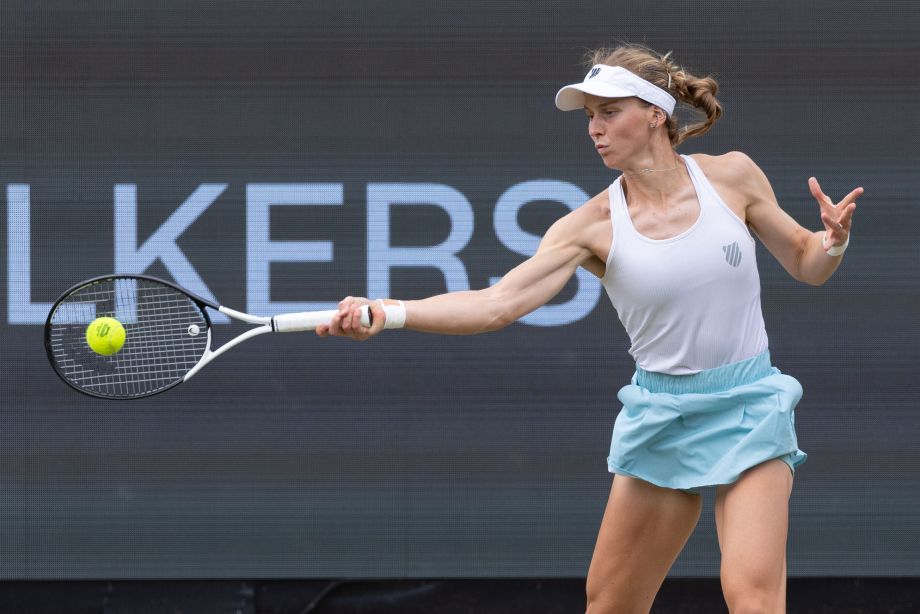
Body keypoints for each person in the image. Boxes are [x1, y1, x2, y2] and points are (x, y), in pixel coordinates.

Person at [317, 44, 862, 613]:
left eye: (608, 112)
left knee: (752, 598)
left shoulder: (733, 176)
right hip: (662, 417)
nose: (594, 129)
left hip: (748, 406)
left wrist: (833, 242)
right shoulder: (588, 226)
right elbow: (497, 304)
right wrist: (391, 312)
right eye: (589, 117)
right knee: (610, 606)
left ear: (654, 114)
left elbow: (806, 261)